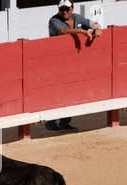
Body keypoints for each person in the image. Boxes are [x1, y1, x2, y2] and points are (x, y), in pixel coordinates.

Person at [45, 0, 102, 132]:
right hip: (57, 62)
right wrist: (82, 31)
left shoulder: (77, 17)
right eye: (62, 9)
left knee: (71, 90)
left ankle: (65, 122)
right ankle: (50, 123)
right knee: (56, 91)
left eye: (67, 9)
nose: (64, 11)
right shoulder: (54, 20)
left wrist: (97, 28)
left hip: (73, 62)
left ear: (72, 9)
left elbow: (92, 23)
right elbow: (62, 31)